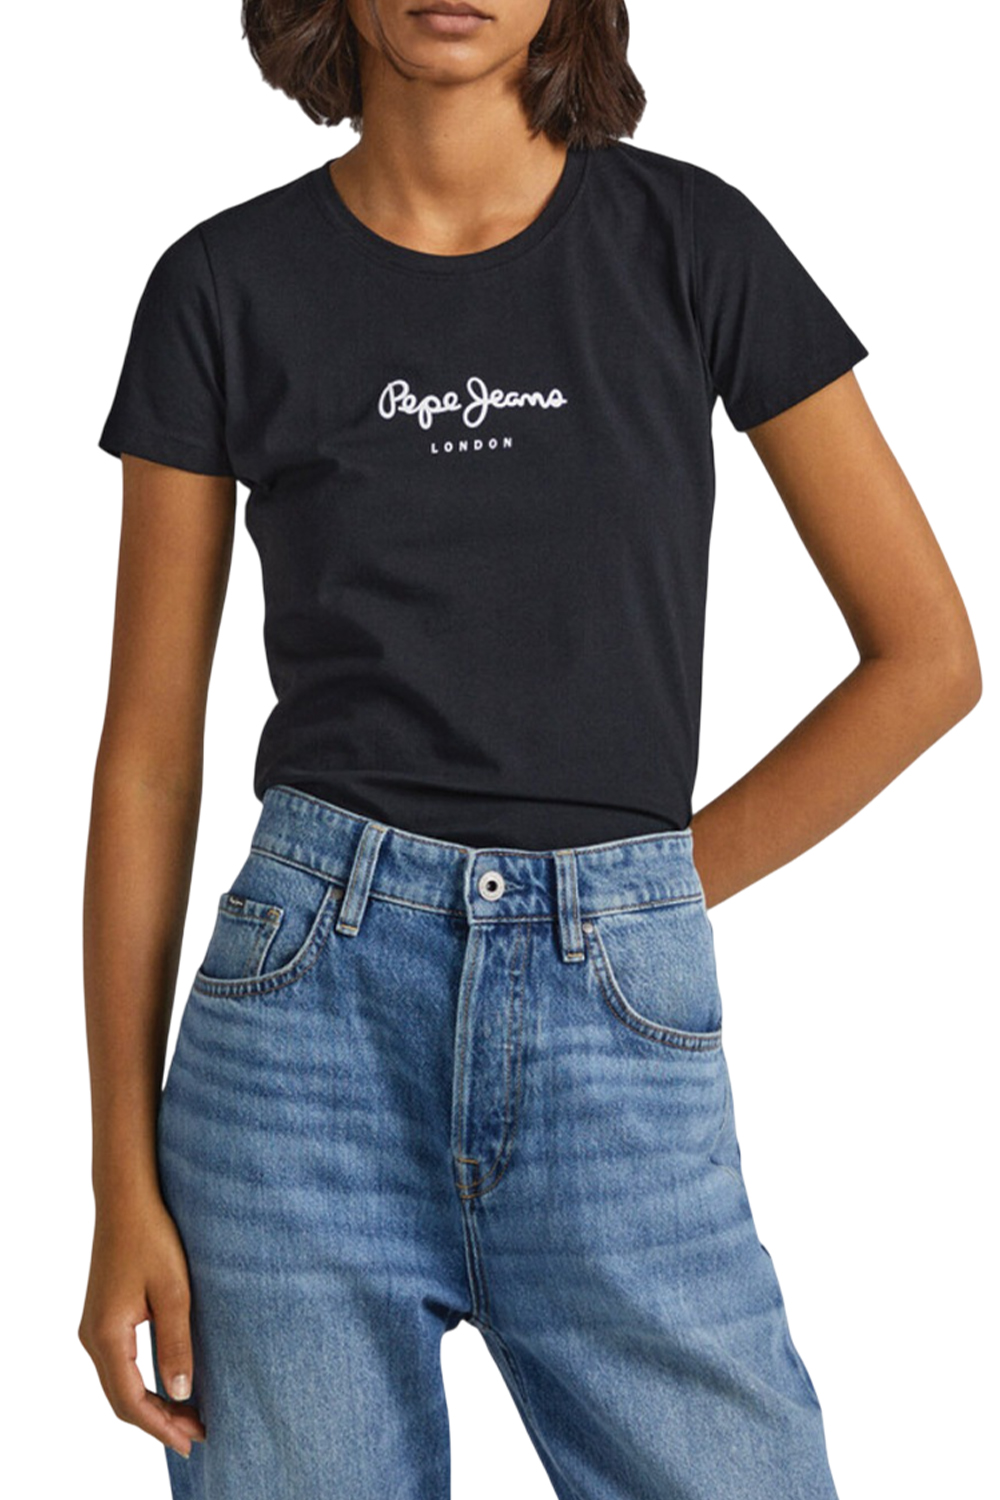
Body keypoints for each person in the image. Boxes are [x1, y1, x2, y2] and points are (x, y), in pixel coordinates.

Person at [78, 2, 982, 1497]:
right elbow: (149, 759)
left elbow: (928, 659)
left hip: (616, 1029)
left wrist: (646, 897)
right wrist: (121, 1172)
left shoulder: (691, 243)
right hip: (298, 1050)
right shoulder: (222, 284)